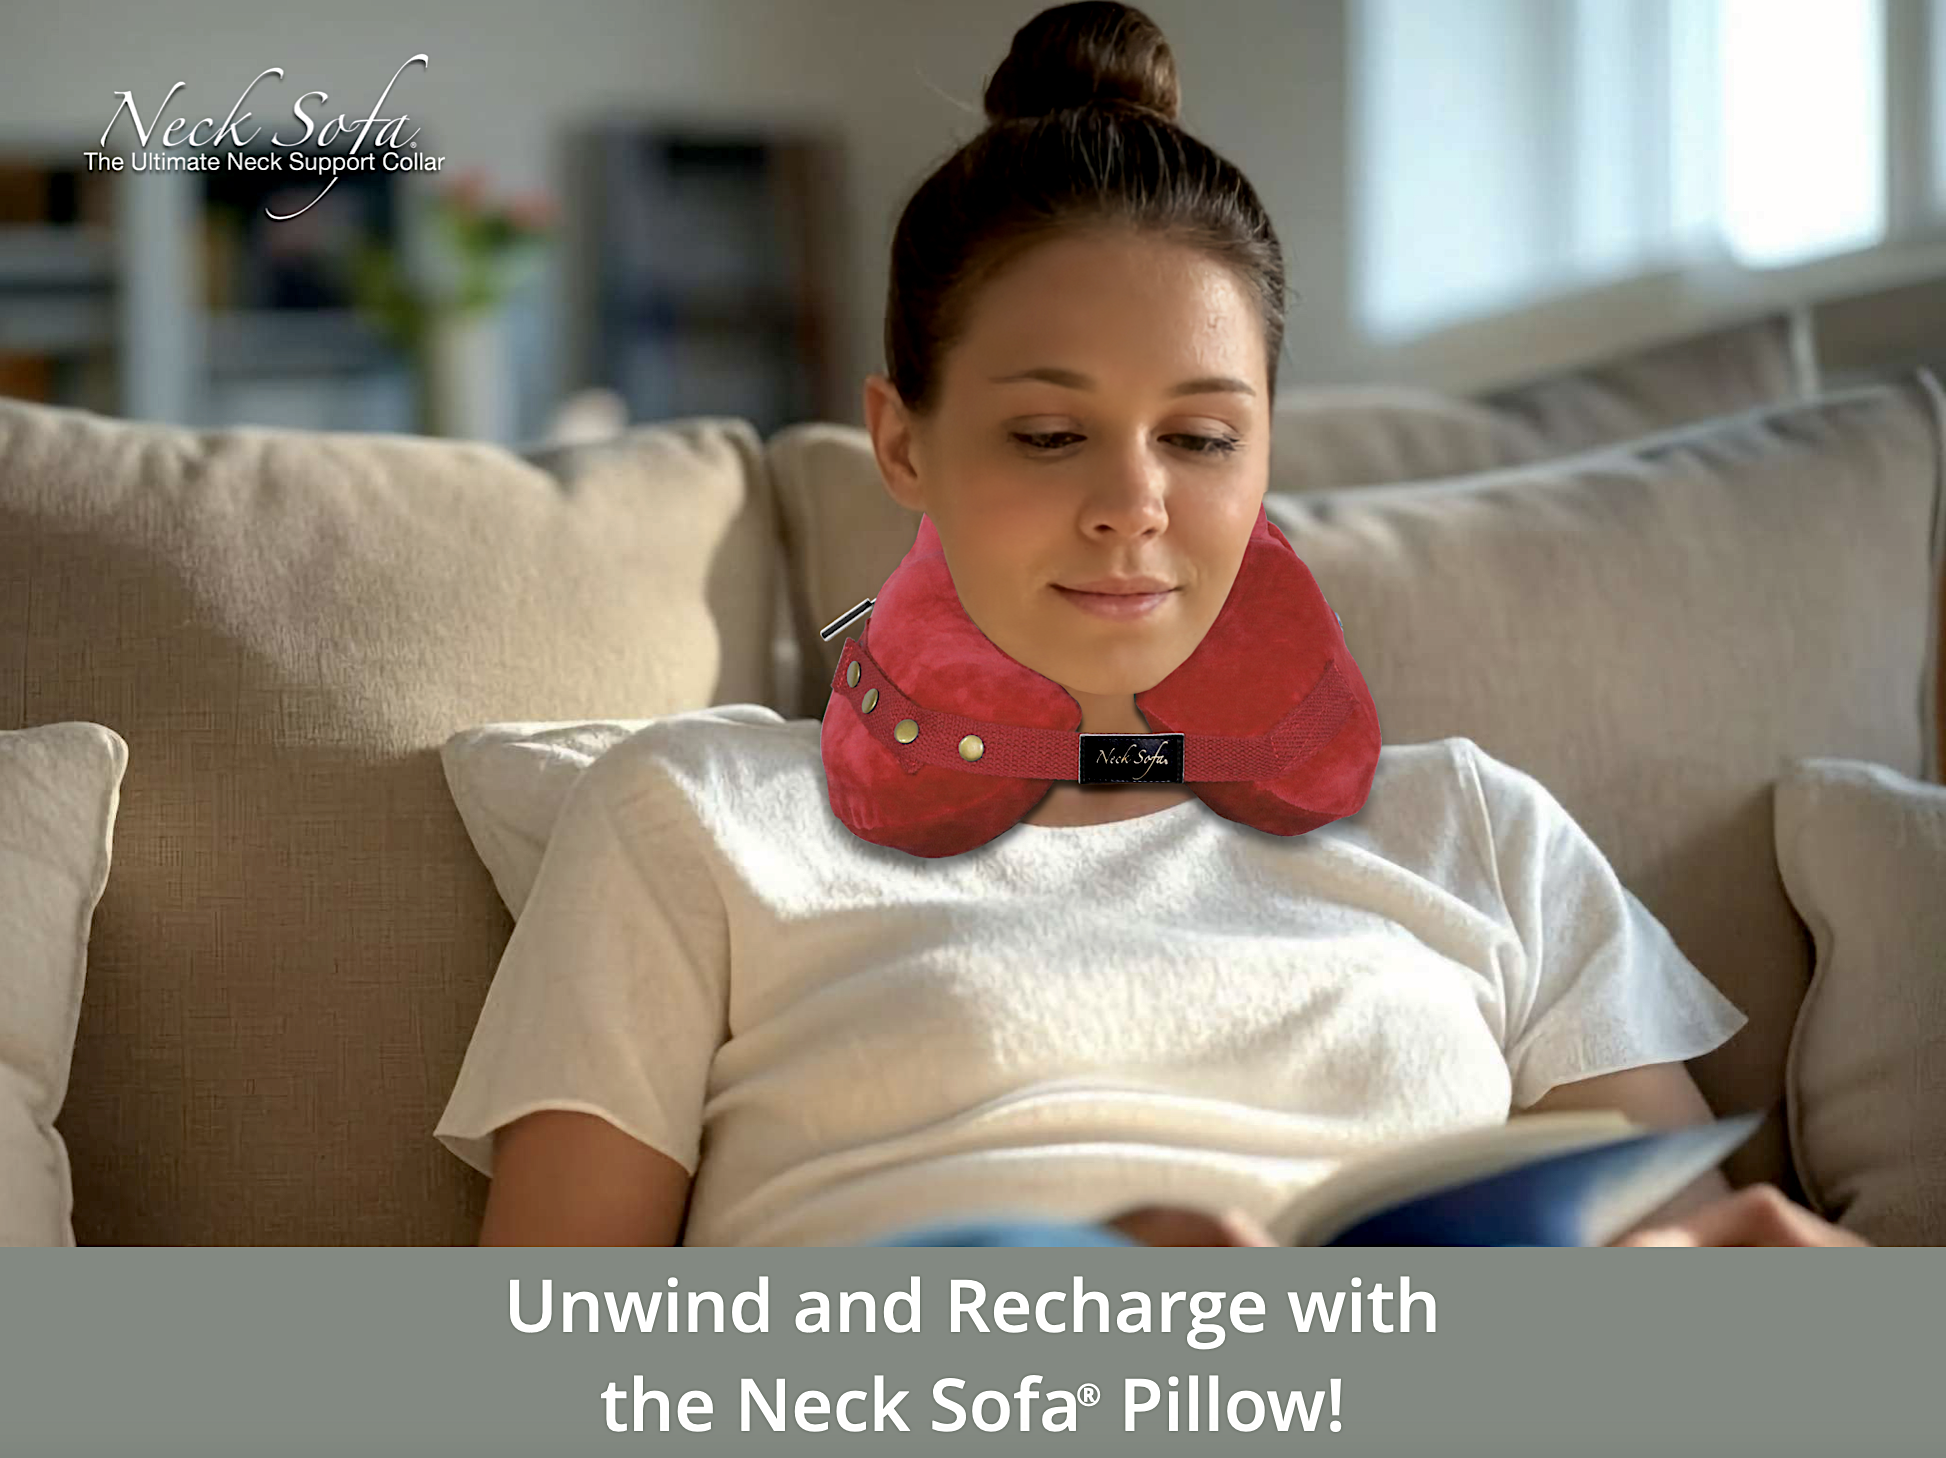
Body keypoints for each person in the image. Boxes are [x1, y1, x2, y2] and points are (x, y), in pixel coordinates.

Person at [434, 2, 1868, 1250]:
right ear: (902, 438)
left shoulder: (1474, 830)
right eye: (1050, 433)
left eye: (1198, 436)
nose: (1134, 505)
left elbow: (1678, 1291)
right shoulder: (698, 817)